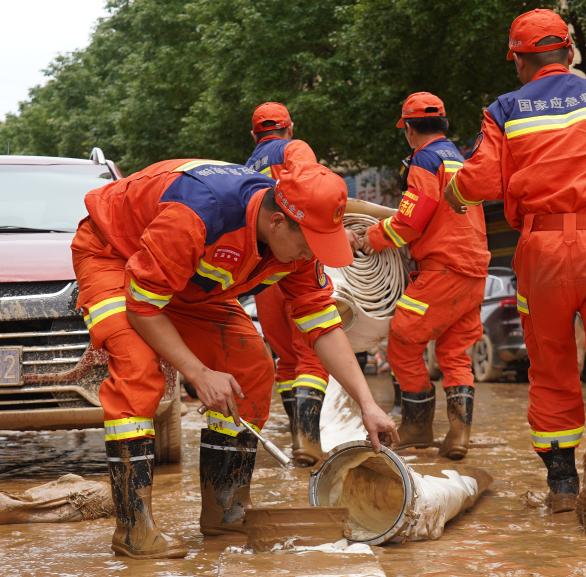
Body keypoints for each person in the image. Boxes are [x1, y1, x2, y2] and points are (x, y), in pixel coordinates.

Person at [72, 158, 398, 558]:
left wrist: (368, 404)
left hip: (188, 281)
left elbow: (323, 326)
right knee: (138, 371)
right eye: (307, 244)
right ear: (277, 222)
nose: (308, 255)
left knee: (252, 367)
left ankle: (224, 514)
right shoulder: (196, 214)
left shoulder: (295, 241)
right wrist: (199, 372)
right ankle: (133, 529)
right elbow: (143, 306)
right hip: (115, 257)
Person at [444, 8, 586, 533]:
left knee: (550, 369)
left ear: (519, 60)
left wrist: (452, 192)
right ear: (568, 50)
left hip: (540, 250)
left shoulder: (504, 109)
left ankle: (563, 491)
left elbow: (478, 180)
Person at [354, 92, 491, 460]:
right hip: (474, 267)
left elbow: (412, 219)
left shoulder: (424, 160)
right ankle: (459, 434)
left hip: (442, 267)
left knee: (403, 338)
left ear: (409, 131)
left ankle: (418, 425)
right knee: (454, 352)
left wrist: (371, 238)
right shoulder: (459, 159)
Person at [245, 101, 330, 466]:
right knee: (312, 350)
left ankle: (296, 436)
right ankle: (308, 442)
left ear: (254, 135)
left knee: (286, 359)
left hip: (263, 274)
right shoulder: (295, 149)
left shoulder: (246, 167)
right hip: (296, 259)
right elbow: (311, 194)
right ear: (289, 127)